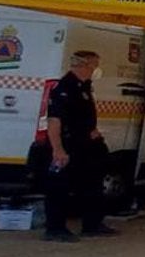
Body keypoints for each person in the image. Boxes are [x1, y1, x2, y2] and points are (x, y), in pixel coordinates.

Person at [42, 50, 113, 242]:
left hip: (86, 145)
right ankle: (55, 229)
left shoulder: (84, 87)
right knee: (60, 187)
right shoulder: (64, 88)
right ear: (84, 65)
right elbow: (54, 121)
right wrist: (58, 149)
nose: (97, 70)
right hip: (68, 145)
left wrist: (93, 131)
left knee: (91, 185)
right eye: (94, 65)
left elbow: (81, 117)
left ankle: (92, 224)